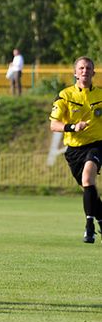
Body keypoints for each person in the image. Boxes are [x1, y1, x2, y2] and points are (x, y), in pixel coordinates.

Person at [50, 56, 102, 244]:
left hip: (96, 145)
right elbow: (54, 125)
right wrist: (73, 127)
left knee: (88, 178)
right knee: (89, 190)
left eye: (88, 68)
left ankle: (89, 228)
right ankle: (101, 219)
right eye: (81, 68)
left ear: (93, 72)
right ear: (75, 72)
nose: (85, 71)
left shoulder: (100, 95)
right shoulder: (65, 95)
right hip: (74, 150)